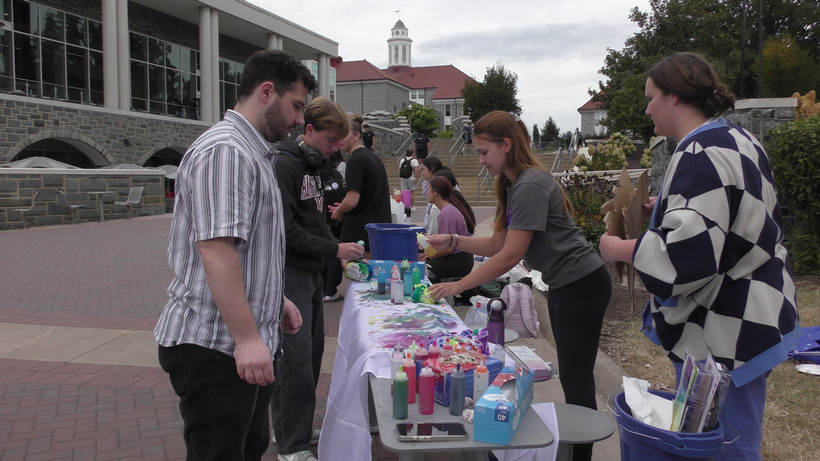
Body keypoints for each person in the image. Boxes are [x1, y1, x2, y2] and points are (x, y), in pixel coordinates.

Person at [599, 52, 800, 461]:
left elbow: (685, 258)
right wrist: (665, 205)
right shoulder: (737, 139)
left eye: (651, 96)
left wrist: (617, 248)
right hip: (758, 313)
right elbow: (734, 215)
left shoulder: (698, 152)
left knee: (726, 443)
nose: (647, 107)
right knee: (738, 435)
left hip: (727, 329)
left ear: (675, 96)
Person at [154, 49, 311, 461]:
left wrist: (274, 300)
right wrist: (246, 337)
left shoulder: (251, 151)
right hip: (215, 347)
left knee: (245, 448)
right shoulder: (227, 152)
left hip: (239, 345)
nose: (299, 120)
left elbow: (247, 249)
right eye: (296, 106)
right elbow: (216, 250)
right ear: (266, 92)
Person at [427, 110, 611, 461]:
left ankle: (578, 456)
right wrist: (453, 240)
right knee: (574, 376)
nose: (480, 161)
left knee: (576, 380)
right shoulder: (513, 183)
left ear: (506, 145)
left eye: (484, 152)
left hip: (582, 285)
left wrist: (459, 285)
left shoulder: (529, 184)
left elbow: (510, 256)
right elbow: (497, 244)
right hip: (566, 285)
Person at [271, 97, 365, 461]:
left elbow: (316, 222)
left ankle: (294, 428)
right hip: (289, 273)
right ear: (308, 131)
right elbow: (286, 230)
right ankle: (290, 445)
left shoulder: (312, 166)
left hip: (308, 272)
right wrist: (335, 251)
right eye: (329, 142)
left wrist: (337, 248)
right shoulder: (286, 166)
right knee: (292, 362)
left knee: (310, 358)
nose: (332, 151)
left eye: (338, 144)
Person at [330, 113, 391, 253]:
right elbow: (367, 196)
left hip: (359, 234)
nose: (339, 138)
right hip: (376, 231)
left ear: (356, 135)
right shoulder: (373, 158)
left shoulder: (356, 160)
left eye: (344, 134)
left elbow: (352, 200)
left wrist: (339, 210)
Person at [423, 176, 475, 285]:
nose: (425, 192)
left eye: (428, 189)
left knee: (426, 269)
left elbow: (448, 248)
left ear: (435, 192)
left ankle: (436, 297)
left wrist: (428, 257)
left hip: (459, 260)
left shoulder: (446, 214)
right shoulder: (449, 209)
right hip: (461, 258)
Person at [321, 150, 347, 302]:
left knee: (323, 254)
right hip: (336, 218)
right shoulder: (337, 175)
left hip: (320, 221)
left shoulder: (315, 174)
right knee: (335, 253)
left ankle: (324, 289)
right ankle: (331, 290)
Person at [418, 156, 443, 232]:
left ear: (432, 169)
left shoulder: (437, 206)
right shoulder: (429, 182)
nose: (421, 173)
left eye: (423, 170)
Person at [399, 148, 419, 217]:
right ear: (413, 153)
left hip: (403, 178)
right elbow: (416, 169)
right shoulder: (414, 160)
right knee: (412, 192)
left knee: (404, 192)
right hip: (411, 178)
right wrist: (416, 178)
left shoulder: (402, 160)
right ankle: (411, 206)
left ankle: (405, 206)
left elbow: (400, 169)